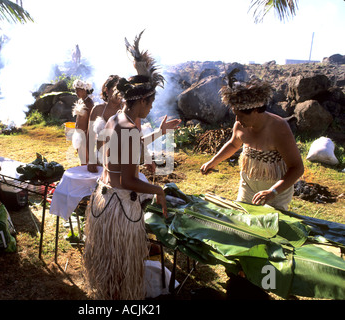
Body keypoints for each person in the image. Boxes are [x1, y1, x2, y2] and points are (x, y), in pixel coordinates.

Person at [83, 31, 180, 300]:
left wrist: (159, 132)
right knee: (120, 272)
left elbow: (123, 149)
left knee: (112, 267)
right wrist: (158, 190)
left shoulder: (117, 119)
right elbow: (127, 180)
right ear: (141, 100)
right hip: (119, 205)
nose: (151, 108)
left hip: (104, 201)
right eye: (151, 103)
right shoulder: (127, 128)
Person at [200, 72, 304, 211]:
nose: (237, 120)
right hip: (248, 185)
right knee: (242, 219)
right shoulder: (240, 125)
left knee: (269, 226)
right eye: (236, 115)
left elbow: (297, 168)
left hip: (276, 190)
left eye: (240, 116)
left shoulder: (279, 129)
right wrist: (213, 162)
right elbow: (233, 144)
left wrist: (272, 192)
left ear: (255, 110)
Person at [71, 79, 94, 164]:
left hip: (85, 133)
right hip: (79, 132)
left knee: (85, 157)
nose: (76, 92)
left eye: (78, 90)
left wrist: (88, 135)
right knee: (81, 156)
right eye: (75, 90)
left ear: (84, 90)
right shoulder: (81, 101)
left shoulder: (89, 103)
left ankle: (87, 174)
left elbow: (91, 121)